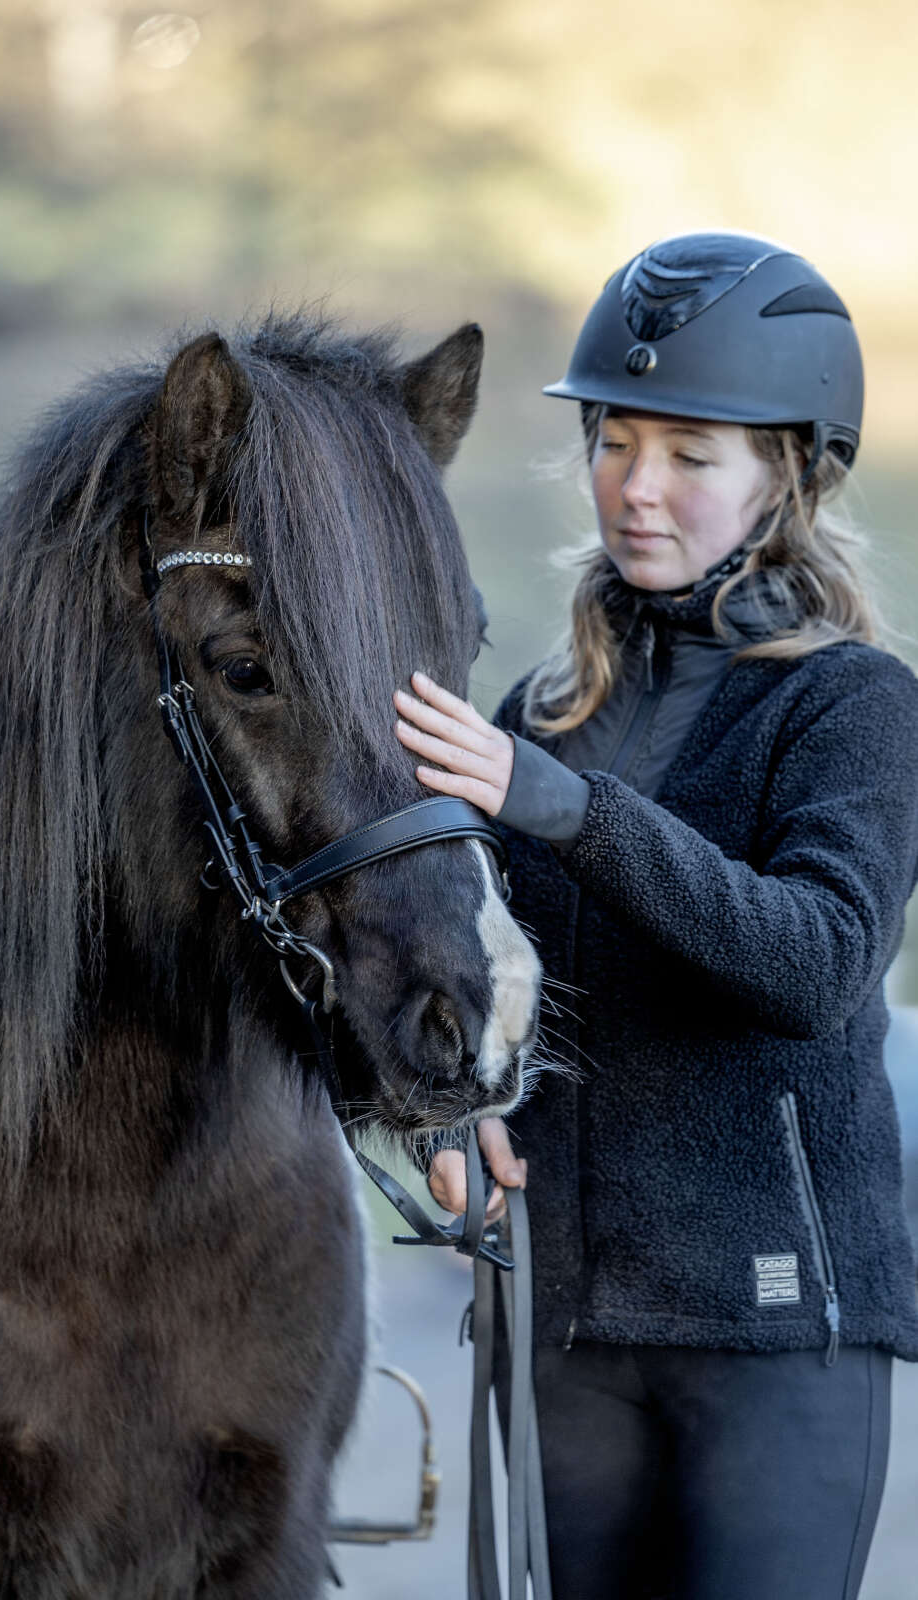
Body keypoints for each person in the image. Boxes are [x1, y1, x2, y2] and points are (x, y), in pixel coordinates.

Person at [393, 232, 918, 1600]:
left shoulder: (852, 705)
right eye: (615, 442)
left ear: (786, 474)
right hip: (568, 1333)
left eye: (691, 455)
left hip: (779, 1341)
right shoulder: (543, 715)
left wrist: (564, 807)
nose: (638, 488)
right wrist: (449, 1114)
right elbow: (461, 974)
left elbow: (814, 961)